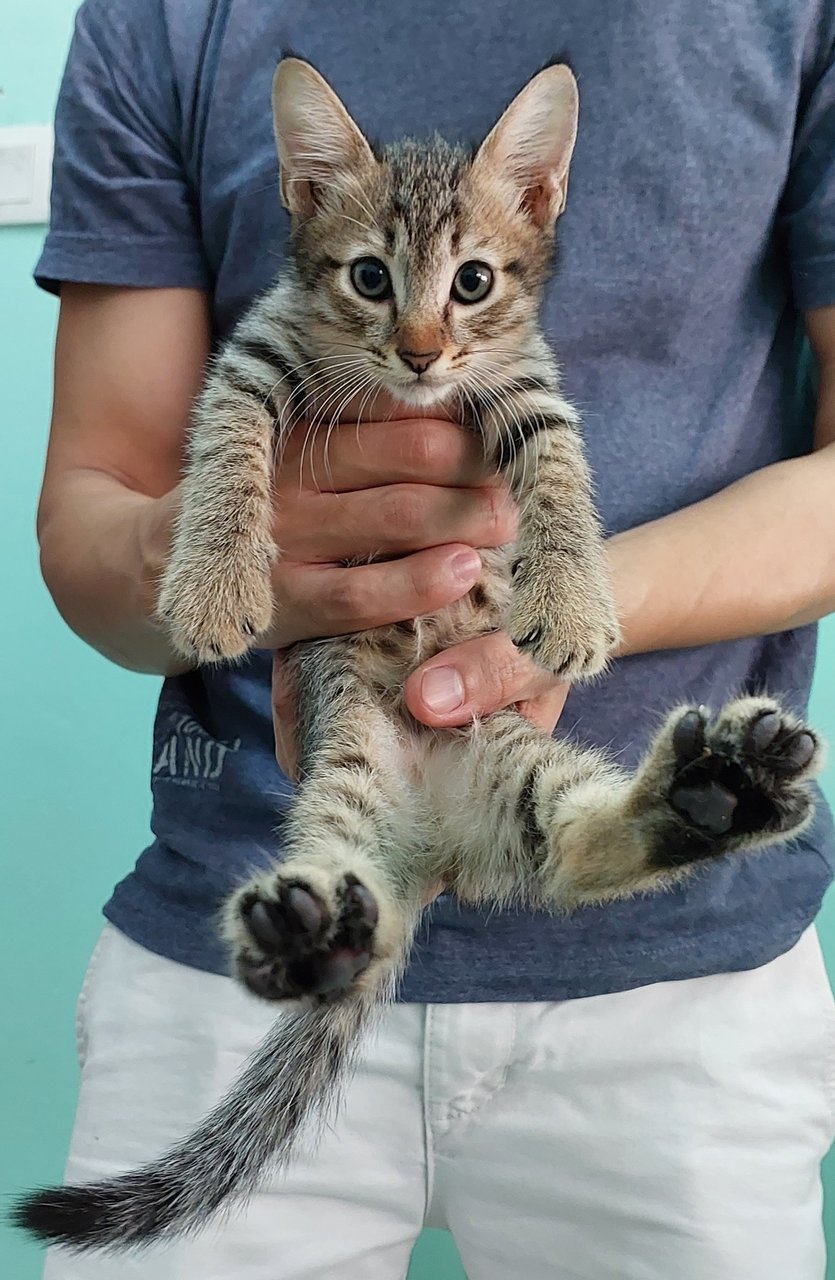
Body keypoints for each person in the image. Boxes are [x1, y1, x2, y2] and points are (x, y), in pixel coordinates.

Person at [33, 0, 835, 1276]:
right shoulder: (160, 18)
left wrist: (551, 613)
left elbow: (563, 466)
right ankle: (335, 914)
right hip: (212, 958)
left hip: (678, 1015)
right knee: (351, 769)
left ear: (540, 200)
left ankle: (647, 824)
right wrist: (210, 543)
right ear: (308, 195)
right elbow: (112, 495)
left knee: (520, 787)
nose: (420, 337)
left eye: (466, 284)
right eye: (372, 280)